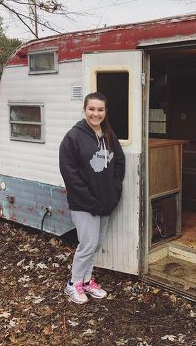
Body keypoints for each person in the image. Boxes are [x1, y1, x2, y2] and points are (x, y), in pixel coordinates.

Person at [59, 92, 125, 304]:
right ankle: (73, 284)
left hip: (105, 202)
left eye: (100, 110)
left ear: (105, 112)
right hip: (83, 203)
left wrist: (114, 191)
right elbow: (69, 174)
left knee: (95, 245)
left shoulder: (108, 135)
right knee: (87, 244)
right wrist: (90, 201)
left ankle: (87, 281)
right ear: (85, 109)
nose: (96, 113)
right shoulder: (73, 137)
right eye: (92, 109)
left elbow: (119, 162)